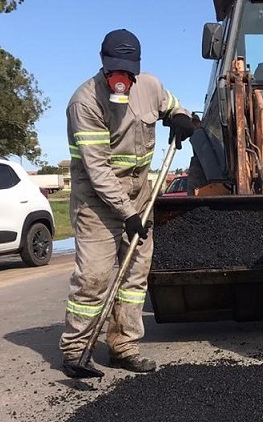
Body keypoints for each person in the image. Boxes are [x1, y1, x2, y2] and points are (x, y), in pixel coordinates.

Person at [59, 29, 195, 378]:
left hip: (139, 195)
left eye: (128, 71)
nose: (122, 78)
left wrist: (180, 117)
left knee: (134, 277)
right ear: (104, 65)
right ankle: (76, 351)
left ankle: (123, 346)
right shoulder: (85, 102)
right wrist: (128, 214)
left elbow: (173, 106)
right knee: (94, 276)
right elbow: (98, 170)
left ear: (136, 68)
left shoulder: (149, 86)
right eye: (115, 70)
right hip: (96, 202)